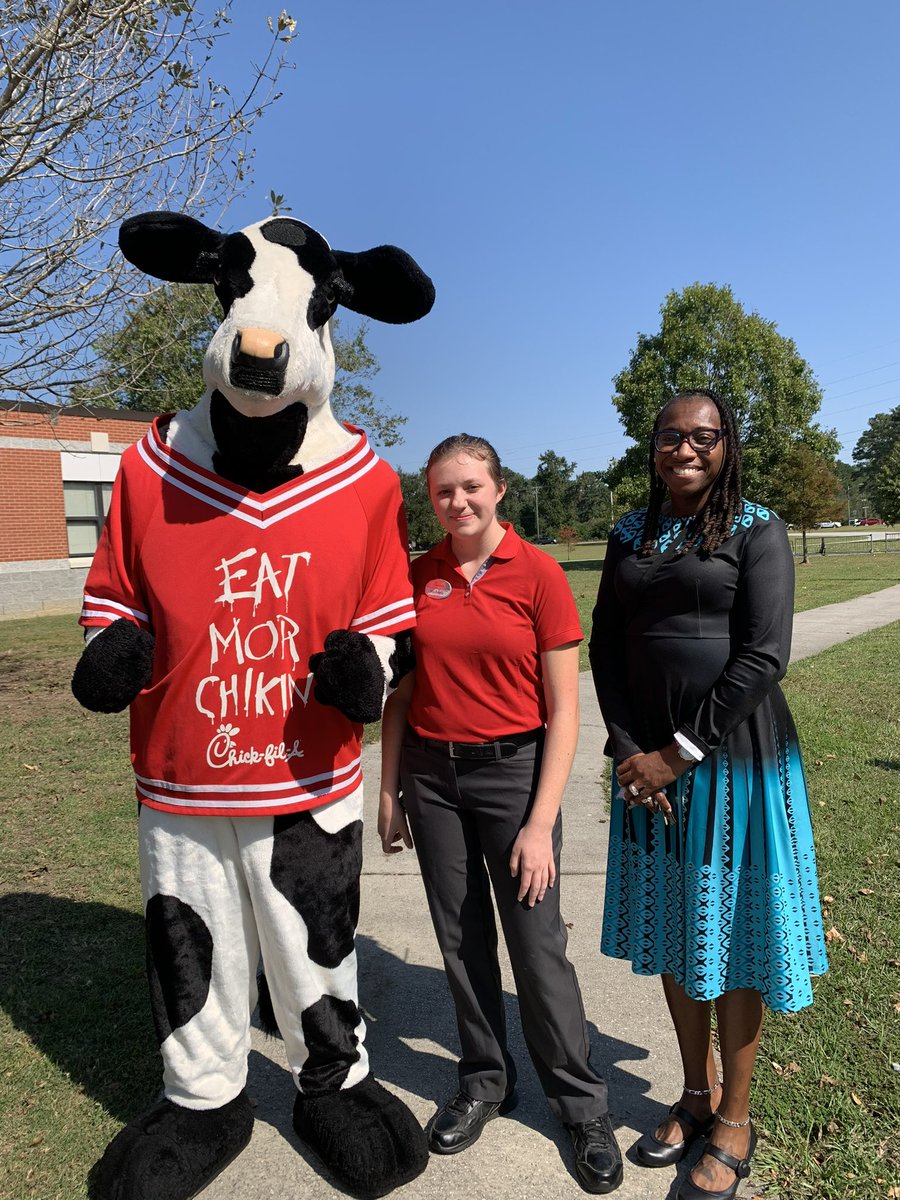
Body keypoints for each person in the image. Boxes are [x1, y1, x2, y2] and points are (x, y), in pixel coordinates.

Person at [589, 390, 828, 1200]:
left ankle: (735, 1115)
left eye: (702, 436)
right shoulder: (629, 532)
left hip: (733, 761)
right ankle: (694, 1092)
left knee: (734, 936)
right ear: (652, 447)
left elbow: (765, 655)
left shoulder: (757, 528)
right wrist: (629, 748)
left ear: (728, 445)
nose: (684, 448)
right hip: (647, 768)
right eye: (670, 436)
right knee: (673, 929)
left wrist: (678, 753)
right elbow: (606, 645)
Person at [379, 433, 623, 1194]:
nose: (457, 502)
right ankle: (486, 1079)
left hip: (514, 776)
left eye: (470, 487)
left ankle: (581, 1106)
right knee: (461, 941)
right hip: (432, 777)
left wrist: (541, 823)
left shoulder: (539, 574)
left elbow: (565, 712)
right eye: (443, 491)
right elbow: (399, 696)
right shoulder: (417, 575)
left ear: (499, 489)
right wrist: (388, 791)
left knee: (537, 946)